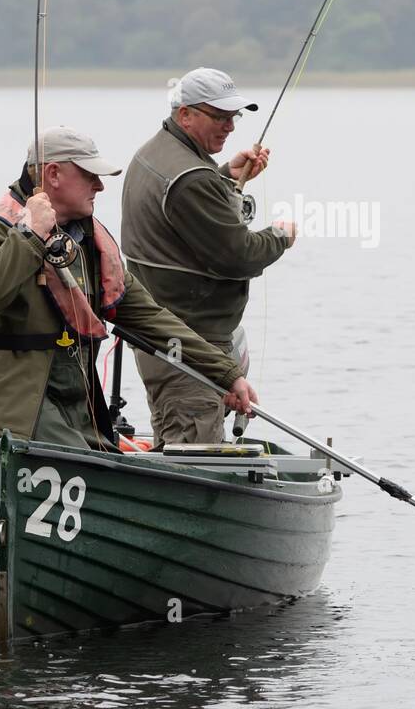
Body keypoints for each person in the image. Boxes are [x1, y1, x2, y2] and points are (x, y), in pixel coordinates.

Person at [0, 126, 256, 447]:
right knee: (84, 460)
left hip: (72, 408)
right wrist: (30, 236)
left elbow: (151, 319)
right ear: (53, 174)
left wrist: (226, 373)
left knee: (105, 460)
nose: (100, 186)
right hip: (5, 407)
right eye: (89, 175)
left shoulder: (89, 243)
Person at [120, 68, 295, 444]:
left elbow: (185, 214)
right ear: (185, 114)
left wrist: (227, 176)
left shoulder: (153, 153)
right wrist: (281, 236)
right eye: (219, 116)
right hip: (190, 344)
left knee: (177, 448)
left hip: (164, 340)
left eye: (234, 117)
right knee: (192, 458)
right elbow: (238, 254)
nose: (229, 126)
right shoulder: (192, 177)